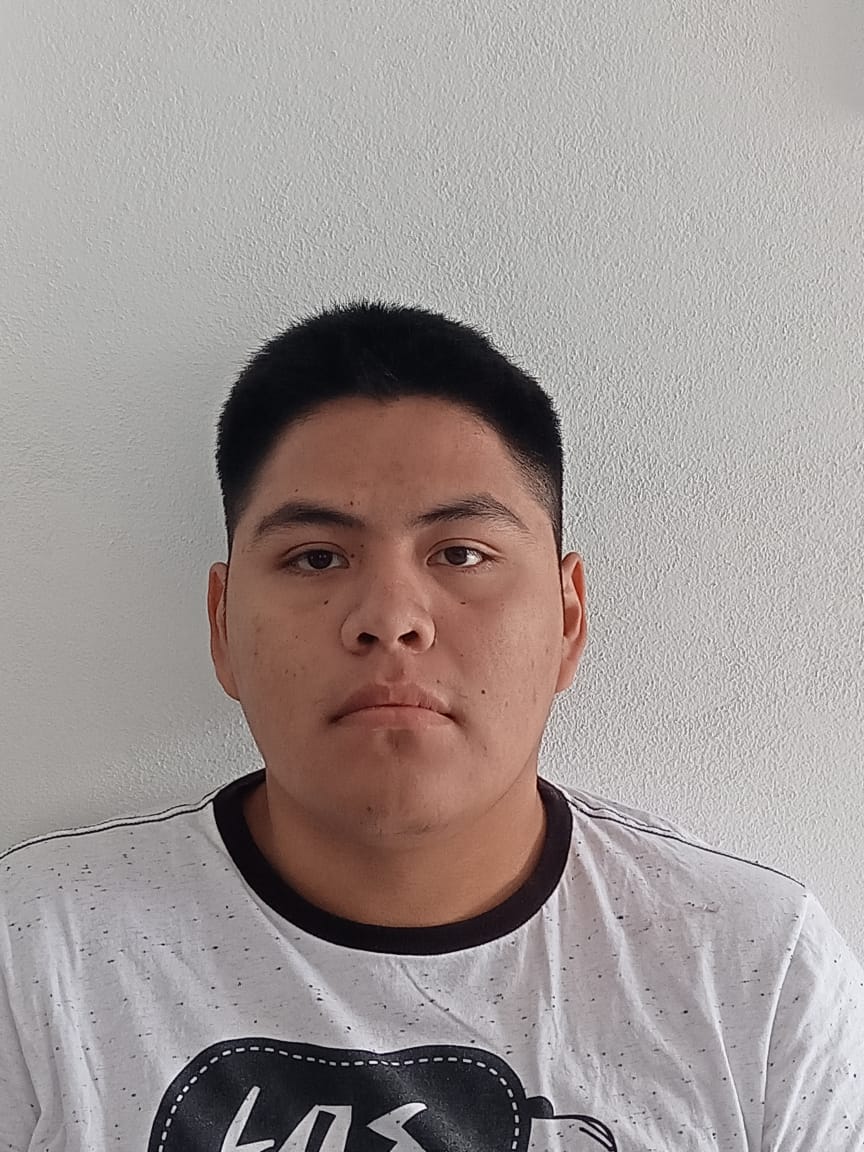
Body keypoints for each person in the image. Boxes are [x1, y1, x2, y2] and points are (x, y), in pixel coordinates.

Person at [1, 300, 862, 1151]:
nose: (390, 619)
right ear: (222, 625)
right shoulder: (40, 949)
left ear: (568, 618)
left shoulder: (755, 970)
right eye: (316, 557)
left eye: (461, 554)